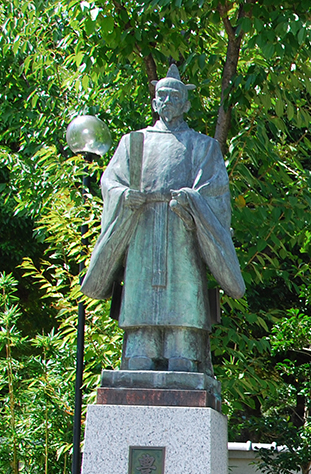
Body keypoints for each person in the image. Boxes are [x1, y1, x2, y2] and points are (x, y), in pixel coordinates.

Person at [82, 64, 244, 375]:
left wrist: (193, 202)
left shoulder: (202, 146)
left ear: (186, 104)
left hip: (183, 228)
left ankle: (183, 352)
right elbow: (110, 182)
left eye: (175, 96)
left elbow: (216, 193)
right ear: (155, 103)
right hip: (141, 226)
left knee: (184, 293)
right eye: (162, 96)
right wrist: (123, 196)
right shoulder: (134, 142)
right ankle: (140, 352)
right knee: (141, 293)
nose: (168, 101)